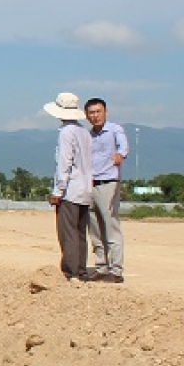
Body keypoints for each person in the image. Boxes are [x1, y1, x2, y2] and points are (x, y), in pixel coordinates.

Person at [44, 92, 93, 281]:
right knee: (80, 232)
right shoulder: (84, 132)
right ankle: (81, 270)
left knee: (68, 232)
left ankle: (70, 271)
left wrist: (58, 191)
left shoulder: (66, 133)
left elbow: (64, 163)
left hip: (71, 190)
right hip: (85, 189)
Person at [84, 98, 129, 283]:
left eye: (98, 111)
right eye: (92, 113)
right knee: (94, 227)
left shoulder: (114, 130)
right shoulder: (88, 135)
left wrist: (120, 155)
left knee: (110, 225)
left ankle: (116, 270)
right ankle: (101, 266)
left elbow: (123, 146)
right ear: (87, 116)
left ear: (105, 112)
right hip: (90, 184)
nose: (95, 116)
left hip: (108, 182)